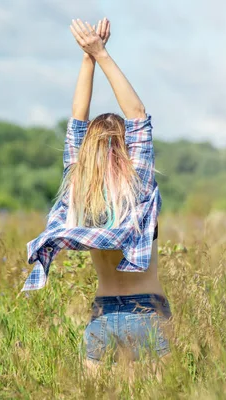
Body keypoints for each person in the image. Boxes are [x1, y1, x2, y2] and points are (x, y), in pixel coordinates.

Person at [23, 17, 171, 368]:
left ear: (85, 151)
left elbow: (78, 117)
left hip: (101, 318)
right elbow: (136, 114)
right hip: (147, 311)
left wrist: (87, 57)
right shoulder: (138, 187)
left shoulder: (78, 192)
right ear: (127, 148)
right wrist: (100, 53)